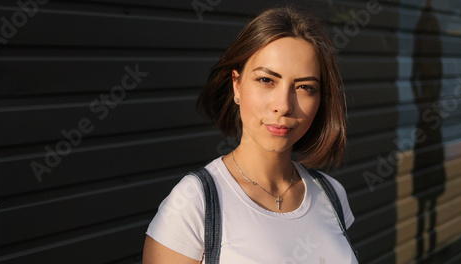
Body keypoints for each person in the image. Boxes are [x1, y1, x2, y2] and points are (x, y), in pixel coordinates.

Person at [143, 6, 357, 264]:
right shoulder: (194, 203)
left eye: (304, 87)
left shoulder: (331, 195)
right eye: (267, 80)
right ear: (237, 85)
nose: (284, 105)